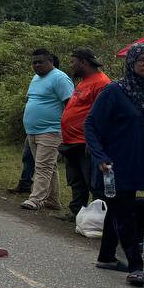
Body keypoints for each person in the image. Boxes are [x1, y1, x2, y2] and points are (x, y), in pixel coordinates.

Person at [84, 43, 144, 287]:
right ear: (131, 64)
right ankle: (136, 266)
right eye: (141, 60)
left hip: (139, 165)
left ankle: (106, 256)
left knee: (118, 210)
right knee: (125, 212)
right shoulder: (115, 91)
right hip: (112, 167)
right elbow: (92, 125)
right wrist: (100, 157)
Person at [58, 48, 111, 216]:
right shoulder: (83, 81)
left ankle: (99, 217)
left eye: (73, 61)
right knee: (76, 180)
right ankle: (76, 212)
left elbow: (103, 114)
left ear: (83, 62)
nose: (71, 65)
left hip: (85, 142)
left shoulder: (102, 82)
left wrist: (93, 140)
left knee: (93, 182)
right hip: (71, 141)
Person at [20, 49, 74, 212]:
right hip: (33, 130)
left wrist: (66, 129)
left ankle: (36, 199)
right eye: (34, 62)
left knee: (42, 166)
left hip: (51, 130)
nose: (36, 65)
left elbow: (70, 104)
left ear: (50, 61)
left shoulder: (60, 78)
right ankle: (53, 200)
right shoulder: (36, 78)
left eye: (40, 62)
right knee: (48, 165)